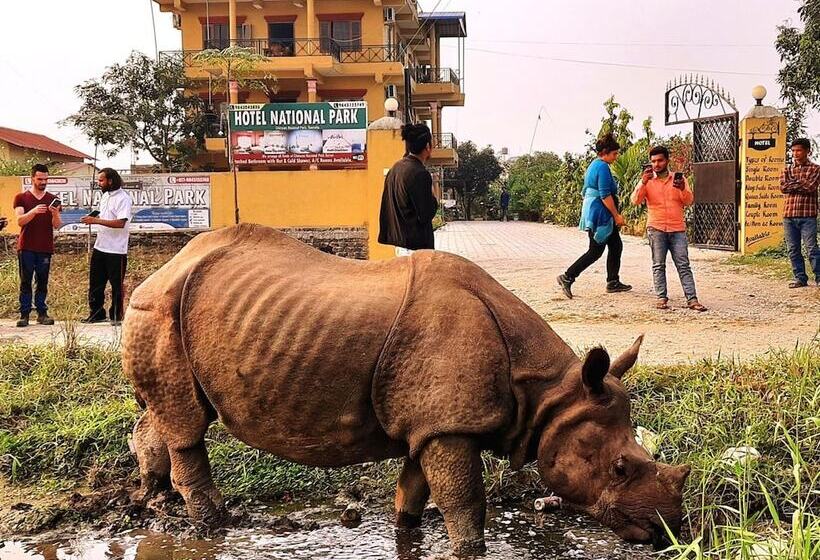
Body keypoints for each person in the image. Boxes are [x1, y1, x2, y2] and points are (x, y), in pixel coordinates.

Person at [632, 146, 706, 311]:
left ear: (667, 161)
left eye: (660, 160)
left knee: (683, 265)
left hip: (677, 228)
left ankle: (692, 299)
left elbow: (688, 201)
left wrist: (681, 189)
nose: (656, 164)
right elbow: (635, 201)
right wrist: (643, 182)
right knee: (658, 264)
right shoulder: (647, 180)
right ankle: (661, 298)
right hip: (656, 228)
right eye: (653, 161)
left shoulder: (679, 179)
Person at [557, 133, 631, 299]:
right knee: (595, 251)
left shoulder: (594, 165)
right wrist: (616, 215)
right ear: (605, 152)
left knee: (616, 245)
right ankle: (568, 276)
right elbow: (605, 195)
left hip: (594, 210)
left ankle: (613, 281)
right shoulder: (603, 167)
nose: (616, 156)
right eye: (614, 153)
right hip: (601, 213)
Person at [80, 168, 133, 325]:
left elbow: (120, 222)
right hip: (100, 246)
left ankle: (116, 315)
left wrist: (95, 221)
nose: (99, 183)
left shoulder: (124, 198)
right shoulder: (104, 196)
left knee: (116, 285)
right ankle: (96, 313)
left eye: (101, 180)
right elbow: (105, 215)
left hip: (116, 249)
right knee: (95, 283)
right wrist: (94, 216)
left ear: (110, 181)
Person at [13, 163, 61, 327]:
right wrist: (33, 211)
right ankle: (24, 314)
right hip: (26, 246)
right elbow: (19, 221)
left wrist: (55, 213)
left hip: (45, 246)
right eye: (40, 179)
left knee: (42, 281)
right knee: (25, 281)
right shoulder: (21, 197)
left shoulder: (52, 199)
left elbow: (57, 225)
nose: (43, 182)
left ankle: (42, 313)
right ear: (32, 178)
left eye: (46, 179)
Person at [378, 123, 438, 254]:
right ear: (427, 146)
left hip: (400, 246)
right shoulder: (419, 173)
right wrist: (433, 196)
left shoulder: (395, 168)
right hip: (417, 248)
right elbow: (426, 214)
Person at [780, 138, 819, 288]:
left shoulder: (815, 169)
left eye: (799, 150)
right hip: (789, 215)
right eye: (793, 150)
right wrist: (799, 183)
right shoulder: (787, 169)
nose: (795, 153)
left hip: (808, 215)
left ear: (807, 151)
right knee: (793, 249)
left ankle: (819, 278)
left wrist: (793, 183)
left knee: (812, 248)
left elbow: (810, 186)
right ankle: (800, 278)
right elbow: (783, 187)